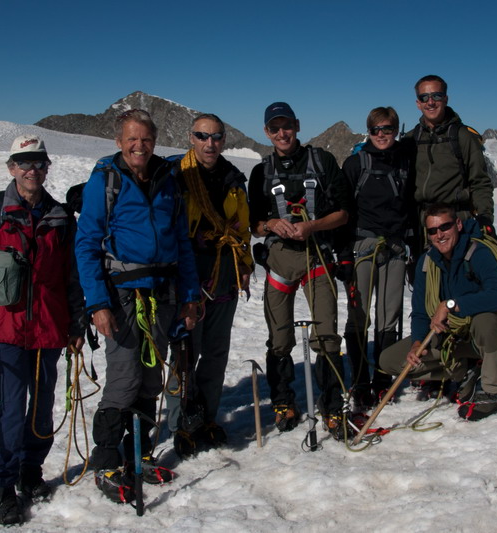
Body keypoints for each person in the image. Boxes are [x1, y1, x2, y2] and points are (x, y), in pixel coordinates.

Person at [74, 109, 200, 504]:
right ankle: (107, 462)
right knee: (125, 378)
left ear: (155, 140)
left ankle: (139, 452)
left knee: (149, 378)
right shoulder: (105, 181)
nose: (139, 146)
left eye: (145, 139)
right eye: (132, 139)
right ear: (118, 141)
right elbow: (86, 244)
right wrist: (97, 302)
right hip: (123, 295)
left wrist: (190, 295)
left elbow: (181, 241)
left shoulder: (167, 179)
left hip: (162, 292)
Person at [0, 134, 85, 525]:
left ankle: (32, 472)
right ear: (11, 167)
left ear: (47, 168)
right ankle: (5, 484)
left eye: (39, 162)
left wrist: (77, 322)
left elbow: (73, 276)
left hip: (50, 328)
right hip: (8, 330)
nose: (33, 169)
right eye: (25, 162)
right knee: (12, 410)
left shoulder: (61, 217)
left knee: (42, 410)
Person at [249, 102, 351, 440]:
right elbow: (253, 224)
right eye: (275, 128)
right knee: (280, 338)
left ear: (297, 125)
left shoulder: (322, 162)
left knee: (327, 337)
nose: (282, 133)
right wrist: (270, 224)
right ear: (267, 132)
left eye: (287, 126)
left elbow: (344, 213)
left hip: (316, 257)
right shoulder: (261, 172)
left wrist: (312, 227)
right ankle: (283, 401)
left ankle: (332, 405)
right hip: (280, 261)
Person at [165, 114, 254, 457]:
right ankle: (180, 423)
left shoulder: (232, 178)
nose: (209, 143)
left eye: (216, 137)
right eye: (202, 136)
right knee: (186, 351)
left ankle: (207, 417)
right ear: (191, 137)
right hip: (189, 270)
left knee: (215, 351)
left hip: (225, 271)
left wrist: (244, 264)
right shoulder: (176, 174)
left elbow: (241, 225)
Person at [378, 203, 497, 421]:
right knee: (390, 361)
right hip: (450, 338)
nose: (439, 235)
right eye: (432, 231)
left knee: (486, 321)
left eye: (445, 227)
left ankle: (494, 391)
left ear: (458, 224)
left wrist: (452, 305)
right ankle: (464, 371)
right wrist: (418, 343)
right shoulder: (426, 262)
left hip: (480, 336)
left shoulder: (478, 253)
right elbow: (420, 312)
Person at [339, 107, 414, 413]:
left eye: (388, 129)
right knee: (359, 316)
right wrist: (343, 254)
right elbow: (343, 211)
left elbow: (411, 206)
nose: (382, 135)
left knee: (389, 316)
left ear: (396, 130)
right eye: (376, 129)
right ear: (367, 131)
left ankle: (382, 379)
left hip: (394, 249)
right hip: (362, 247)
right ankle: (359, 382)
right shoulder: (356, 164)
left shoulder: (406, 163)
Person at [409, 74, 494, 228]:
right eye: (424, 97)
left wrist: (485, 218)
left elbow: (480, 182)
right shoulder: (410, 139)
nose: (430, 102)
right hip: (419, 226)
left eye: (436, 96)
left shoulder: (463, 137)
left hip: (454, 224)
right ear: (418, 103)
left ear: (446, 99)